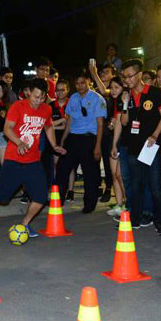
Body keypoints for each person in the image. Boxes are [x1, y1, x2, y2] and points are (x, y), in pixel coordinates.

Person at [0, 78, 66, 238]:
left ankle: (24, 224)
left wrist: (54, 145)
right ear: (28, 93)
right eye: (35, 96)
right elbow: (7, 129)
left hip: (33, 162)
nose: (38, 101)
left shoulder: (46, 109)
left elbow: (48, 126)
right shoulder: (17, 107)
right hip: (14, 160)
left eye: (42, 97)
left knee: (41, 197)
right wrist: (19, 142)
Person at [119, 58, 161, 234]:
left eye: (129, 76)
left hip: (150, 147)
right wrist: (125, 104)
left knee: (155, 185)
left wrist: (155, 135)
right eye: (124, 77)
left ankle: (160, 221)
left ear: (139, 74)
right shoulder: (126, 96)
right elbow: (124, 122)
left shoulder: (154, 93)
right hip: (133, 146)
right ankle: (136, 219)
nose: (127, 80)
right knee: (136, 184)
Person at [56, 69, 106, 213]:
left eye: (83, 82)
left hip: (89, 139)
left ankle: (89, 205)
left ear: (89, 82)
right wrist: (63, 141)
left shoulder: (97, 99)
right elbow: (70, 120)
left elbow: (100, 124)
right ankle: (58, 200)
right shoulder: (73, 98)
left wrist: (98, 146)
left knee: (89, 174)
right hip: (73, 139)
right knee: (62, 169)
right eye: (77, 83)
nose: (80, 85)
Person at [91, 61, 117, 202]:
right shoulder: (94, 90)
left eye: (106, 72)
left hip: (109, 130)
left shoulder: (115, 89)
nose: (102, 74)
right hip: (96, 128)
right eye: (101, 72)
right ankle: (97, 186)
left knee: (107, 161)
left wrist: (93, 73)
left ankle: (108, 187)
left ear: (113, 75)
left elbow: (104, 92)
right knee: (95, 158)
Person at [105, 77, 127, 216]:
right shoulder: (113, 102)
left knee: (120, 175)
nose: (113, 90)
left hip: (122, 142)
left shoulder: (124, 100)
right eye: (111, 87)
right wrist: (111, 124)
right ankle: (119, 205)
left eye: (116, 87)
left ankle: (127, 203)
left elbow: (122, 122)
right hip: (114, 141)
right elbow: (114, 123)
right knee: (114, 175)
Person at [49, 80, 74, 200]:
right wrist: (62, 122)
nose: (60, 92)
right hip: (54, 137)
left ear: (68, 90)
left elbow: (71, 123)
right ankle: (56, 187)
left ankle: (70, 190)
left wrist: (62, 124)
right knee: (56, 164)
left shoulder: (72, 104)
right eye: (58, 90)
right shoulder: (51, 106)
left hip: (70, 137)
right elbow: (47, 125)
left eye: (63, 89)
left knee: (70, 166)